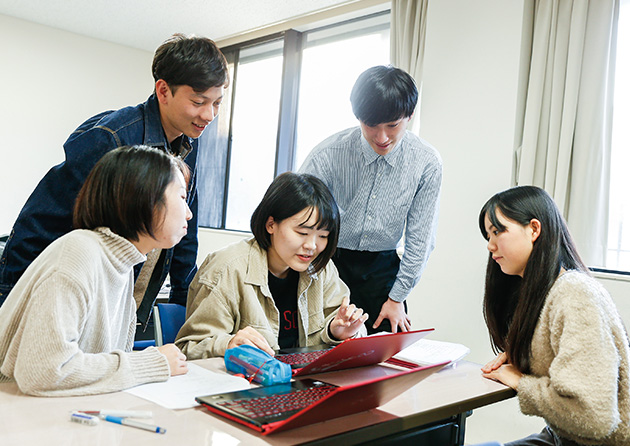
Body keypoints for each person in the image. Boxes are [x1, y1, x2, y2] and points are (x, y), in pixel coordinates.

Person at [0, 34, 228, 328]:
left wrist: (186, 308)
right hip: (59, 292)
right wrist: (13, 296)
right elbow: (55, 225)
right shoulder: (112, 138)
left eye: (217, 103)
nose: (209, 115)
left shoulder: (188, 143)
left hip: (125, 295)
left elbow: (187, 234)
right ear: (163, 91)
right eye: (199, 102)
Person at [0, 146, 190, 396]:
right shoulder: (79, 253)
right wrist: (152, 363)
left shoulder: (121, 264)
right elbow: (44, 371)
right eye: (182, 198)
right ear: (145, 199)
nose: (189, 214)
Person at [478, 186, 630, 445]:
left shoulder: (575, 293)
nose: (491, 246)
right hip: (561, 437)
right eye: (488, 235)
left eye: (498, 231)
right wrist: (521, 355)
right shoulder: (542, 292)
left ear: (534, 229)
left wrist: (521, 381)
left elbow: (593, 416)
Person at [299, 65, 442, 334]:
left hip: (383, 273)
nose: (382, 137)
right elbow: (297, 218)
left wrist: (396, 297)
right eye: (371, 125)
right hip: (327, 262)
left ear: (409, 115)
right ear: (358, 116)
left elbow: (421, 240)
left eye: (392, 125)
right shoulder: (327, 154)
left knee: (384, 360)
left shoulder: (426, 162)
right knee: (319, 347)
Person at [175, 172, 368, 359]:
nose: (312, 246)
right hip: (248, 386)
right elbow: (188, 348)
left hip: (303, 384)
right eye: (302, 233)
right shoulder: (227, 268)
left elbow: (348, 328)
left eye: (323, 236)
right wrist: (228, 344)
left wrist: (337, 333)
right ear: (271, 225)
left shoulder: (320, 269)